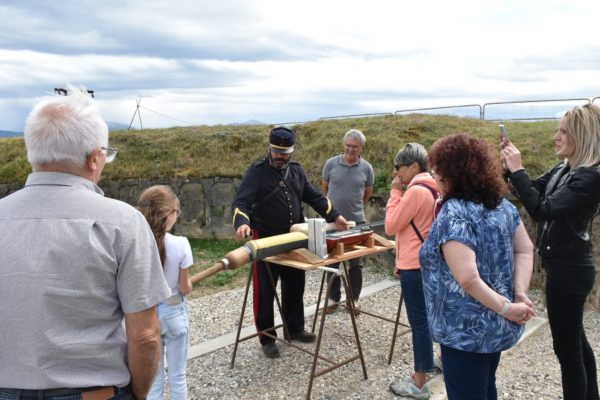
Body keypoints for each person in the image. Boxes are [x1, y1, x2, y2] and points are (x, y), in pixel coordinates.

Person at [0, 86, 171, 400]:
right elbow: (145, 336)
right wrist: (135, 394)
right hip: (94, 392)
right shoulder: (123, 222)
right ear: (94, 158)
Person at [419, 133, 535, 400]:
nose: (435, 179)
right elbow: (525, 248)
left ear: (451, 174)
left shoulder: (455, 213)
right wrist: (519, 294)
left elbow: (468, 278)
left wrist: (511, 306)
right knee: (484, 388)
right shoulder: (503, 207)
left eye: (437, 172)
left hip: (465, 334)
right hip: (495, 327)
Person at [501, 103, 600, 400]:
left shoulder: (591, 176)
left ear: (581, 136)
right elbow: (530, 191)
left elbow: (542, 210)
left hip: (570, 271)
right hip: (564, 267)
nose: (556, 136)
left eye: (563, 131)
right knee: (577, 343)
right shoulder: (566, 169)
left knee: (567, 351)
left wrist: (517, 170)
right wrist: (510, 171)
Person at [232, 126, 349, 358]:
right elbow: (241, 202)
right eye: (276, 151)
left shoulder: (295, 170)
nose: (280, 156)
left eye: (284, 153)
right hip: (265, 240)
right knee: (265, 291)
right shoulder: (256, 172)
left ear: (291, 152)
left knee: (295, 284)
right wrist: (242, 224)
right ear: (269, 148)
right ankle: (267, 338)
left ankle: (294, 328)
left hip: (294, 239)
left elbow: (313, 195)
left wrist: (335, 215)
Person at [385, 143, 439, 399]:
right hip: (429, 263)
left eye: (399, 168)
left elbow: (391, 225)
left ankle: (419, 383)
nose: (397, 174)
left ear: (414, 166)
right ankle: (437, 363)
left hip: (413, 264)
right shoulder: (433, 185)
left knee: (419, 323)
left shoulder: (415, 191)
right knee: (431, 319)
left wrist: (395, 193)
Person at [138, 186, 193, 400]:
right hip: (174, 311)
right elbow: (185, 287)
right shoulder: (181, 244)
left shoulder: (137, 244)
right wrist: (187, 286)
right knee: (178, 376)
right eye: (176, 211)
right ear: (168, 213)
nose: (177, 216)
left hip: (147, 314)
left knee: (154, 378)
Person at [321, 129, 374, 315]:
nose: (351, 149)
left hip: (356, 222)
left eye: (355, 146)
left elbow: (367, 192)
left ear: (361, 147)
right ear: (344, 145)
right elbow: (325, 189)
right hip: (332, 222)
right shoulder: (330, 164)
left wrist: (356, 208)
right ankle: (333, 299)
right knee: (331, 262)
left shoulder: (367, 168)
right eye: (348, 145)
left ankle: (354, 300)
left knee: (356, 264)